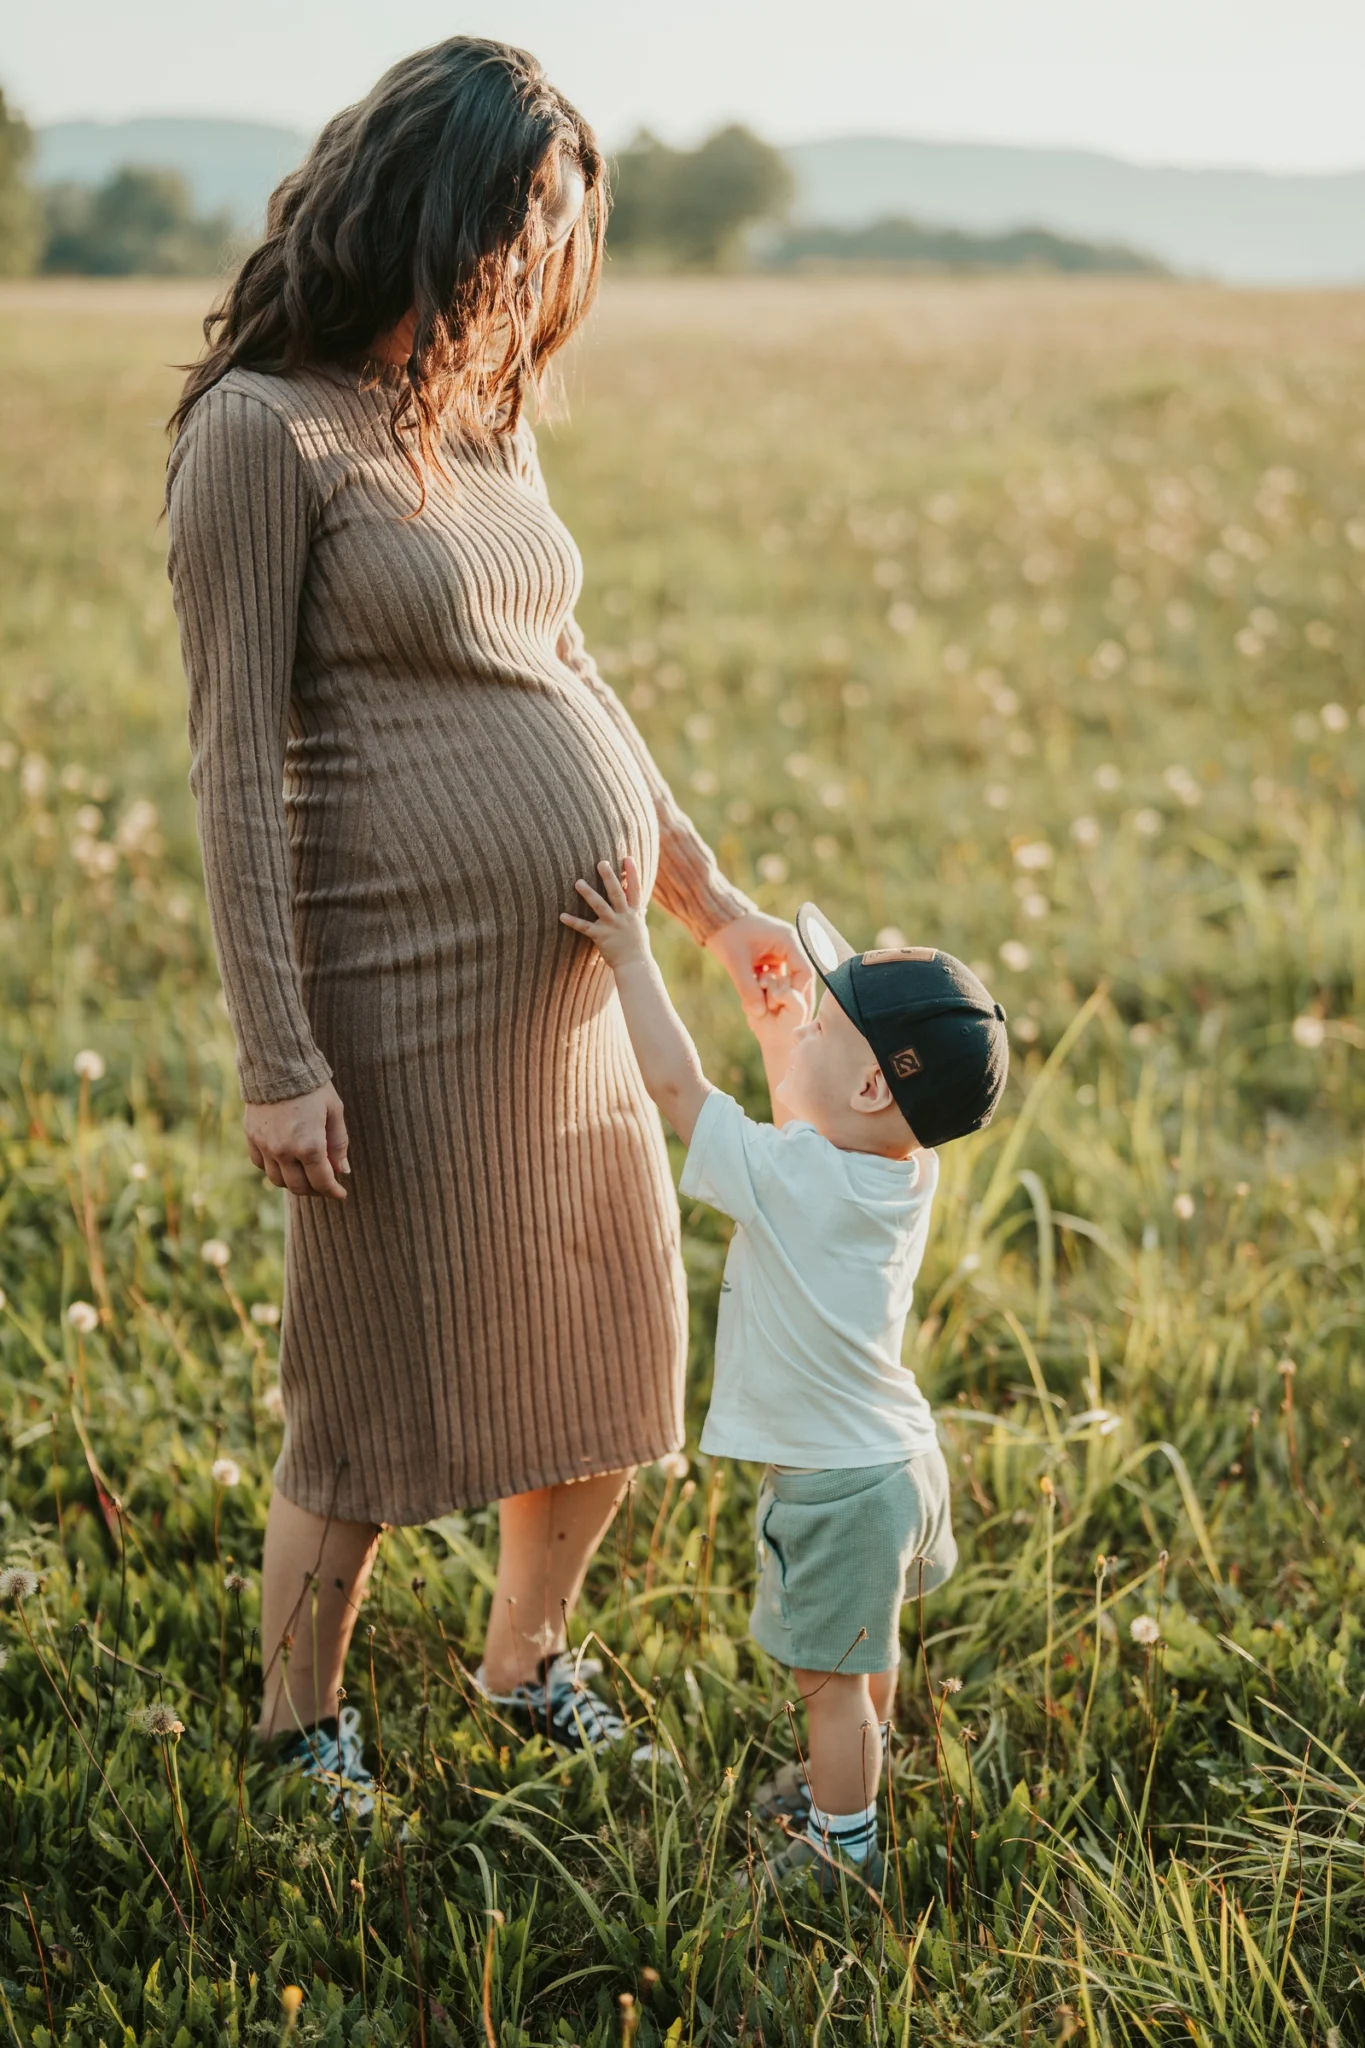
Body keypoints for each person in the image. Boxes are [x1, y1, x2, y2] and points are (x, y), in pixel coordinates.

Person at [165, 37, 812, 1819]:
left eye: (564, 230)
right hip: (393, 984)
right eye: (523, 217)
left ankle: (526, 1660)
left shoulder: (483, 413)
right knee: (371, 1385)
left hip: (576, 995)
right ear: (423, 196)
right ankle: (300, 1724)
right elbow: (230, 764)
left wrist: (705, 890)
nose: (540, 260)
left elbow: (566, 666)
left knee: (608, 1339)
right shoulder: (261, 433)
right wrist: (278, 1058)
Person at [561, 857, 1008, 1896]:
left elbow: (681, 1091)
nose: (801, 1023)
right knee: (863, 1657)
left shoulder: (800, 1175)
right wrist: (783, 1035)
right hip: (898, 1462)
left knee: (828, 1680)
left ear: (870, 1086)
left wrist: (631, 954)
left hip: (838, 1487)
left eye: (821, 1026)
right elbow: (811, 1128)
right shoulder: (903, 1167)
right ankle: (853, 1778)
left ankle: (840, 1848)